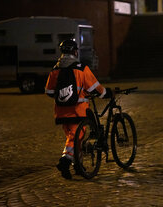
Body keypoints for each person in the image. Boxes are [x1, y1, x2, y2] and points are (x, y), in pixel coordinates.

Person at [45, 39, 112, 179]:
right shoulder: (81, 69)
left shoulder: (55, 70)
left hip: (61, 112)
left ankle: (77, 166)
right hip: (78, 111)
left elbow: (49, 92)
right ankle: (65, 160)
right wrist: (106, 93)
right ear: (75, 52)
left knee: (73, 138)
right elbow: (96, 88)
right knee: (76, 137)